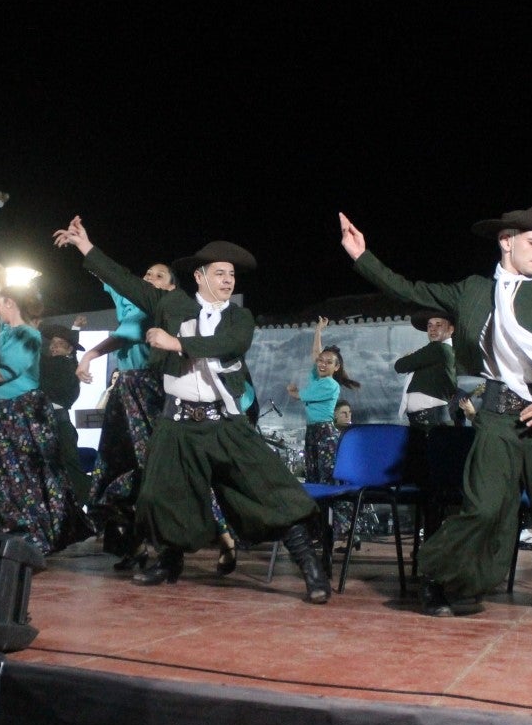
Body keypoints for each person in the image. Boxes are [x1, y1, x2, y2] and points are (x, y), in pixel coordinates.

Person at [341, 205, 532, 617]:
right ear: (506, 241)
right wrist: (361, 256)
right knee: (485, 505)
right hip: (499, 415)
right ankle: (443, 581)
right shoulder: (472, 291)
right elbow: (411, 290)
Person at [55, 216, 330, 603]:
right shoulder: (171, 304)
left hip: (223, 422)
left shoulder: (239, 317)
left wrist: (177, 344)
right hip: (178, 422)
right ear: (200, 276)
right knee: (159, 495)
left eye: (231, 275)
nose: (228, 281)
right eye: (220, 273)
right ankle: (169, 561)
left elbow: (228, 345)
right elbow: (128, 283)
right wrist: (86, 247)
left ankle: (310, 567)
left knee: (270, 491)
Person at [0, 281, 88, 553]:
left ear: (11, 304)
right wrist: (0, 279)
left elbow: (4, 373)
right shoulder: (8, 331)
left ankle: (29, 535)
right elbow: (5, 309)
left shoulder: (28, 336)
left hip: (18, 412)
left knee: (21, 475)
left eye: (1, 303)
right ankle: (3, 529)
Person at [76, 262, 181, 569]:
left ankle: (174, 546)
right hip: (126, 391)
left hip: (152, 390)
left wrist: (91, 354)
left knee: (154, 468)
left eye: (159, 276)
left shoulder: (164, 308)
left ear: (170, 288)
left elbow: (129, 332)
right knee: (113, 469)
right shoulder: (131, 301)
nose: (149, 278)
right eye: (146, 273)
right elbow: (110, 275)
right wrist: (84, 249)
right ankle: (131, 546)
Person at [287, 316, 360, 541]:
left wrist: (295, 392)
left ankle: (340, 529)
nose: (322, 363)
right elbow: (316, 354)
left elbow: (298, 395)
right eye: (322, 361)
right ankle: (320, 530)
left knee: (327, 483)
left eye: (329, 362)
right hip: (313, 432)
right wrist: (318, 330)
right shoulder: (318, 379)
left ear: (336, 368)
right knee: (314, 480)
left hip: (325, 435)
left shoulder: (329, 384)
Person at [38, 321, 90, 505]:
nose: (53, 347)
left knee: (69, 464)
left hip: (58, 421)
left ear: (69, 349)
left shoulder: (64, 365)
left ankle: (88, 503)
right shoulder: (56, 365)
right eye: (52, 344)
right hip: (47, 420)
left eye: (58, 344)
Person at [395, 309, 457, 427]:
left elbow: (400, 365)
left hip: (432, 421)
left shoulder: (438, 348)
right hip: (427, 421)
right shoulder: (439, 352)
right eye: (430, 325)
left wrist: (409, 358)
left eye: (438, 325)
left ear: (450, 329)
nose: (432, 329)